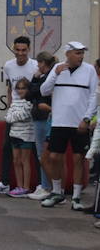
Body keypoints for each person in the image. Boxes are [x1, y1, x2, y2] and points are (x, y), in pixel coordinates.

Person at [39, 40, 98, 210]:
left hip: (79, 122)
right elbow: (44, 90)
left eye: (82, 53)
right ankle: (58, 193)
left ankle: (77, 198)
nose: (81, 56)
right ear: (68, 54)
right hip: (59, 121)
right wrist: (55, 74)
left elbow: (94, 96)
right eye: (78, 53)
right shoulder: (57, 69)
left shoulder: (89, 70)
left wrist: (86, 119)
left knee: (79, 159)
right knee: (54, 157)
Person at [0, 36, 39, 195]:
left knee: (36, 150)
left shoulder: (35, 65)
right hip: (14, 112)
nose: (20, 53)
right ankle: (4, 183)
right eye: (17, 50)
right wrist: (11, 107)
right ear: (13, 49)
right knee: (7, 148)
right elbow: (9, 88)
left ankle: (40, 185)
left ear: (29, 50)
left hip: (32, 112)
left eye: (24, 50)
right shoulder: (8, 66)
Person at [25, 52, 56, 200]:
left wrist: (36, 82)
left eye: (39, 63)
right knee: (42, 154)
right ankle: (46, 186)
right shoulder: (41, 77)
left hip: (45, 118)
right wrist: (34, 78)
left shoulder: (50, 77)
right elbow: (28, 95)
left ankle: (47, 187)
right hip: (39, 117)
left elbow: (35, 91)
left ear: (44, 63)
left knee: (43, 154)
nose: (37, 66)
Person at [4, 77, 36, 196]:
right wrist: (13, 117)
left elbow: (25, 115)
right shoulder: (14, 102)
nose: (21, 90)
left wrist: (12, 117)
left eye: (23, 88)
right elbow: (8, 116)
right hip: (14, 135)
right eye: (18, 88)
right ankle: (19, 186)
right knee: (16, 160)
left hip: (26, 135)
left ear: (28, 89)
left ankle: (26, 187)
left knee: (25, 161)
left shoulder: (30, 102)